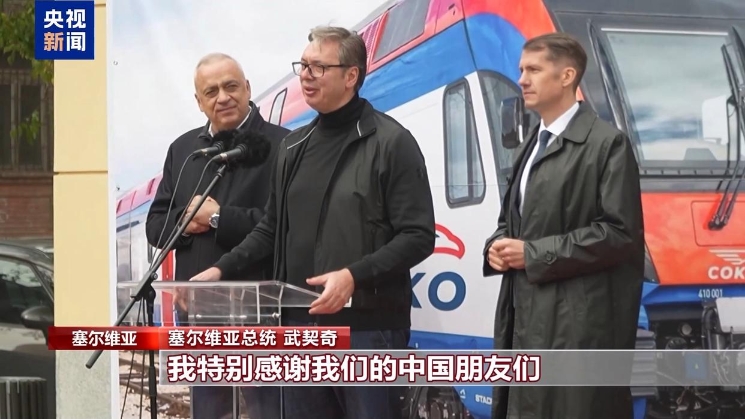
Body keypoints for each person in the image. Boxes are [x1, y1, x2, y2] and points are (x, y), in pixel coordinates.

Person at [189, 26, 436, 419]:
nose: (305, 75)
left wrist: (353, 276)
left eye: (318, 67)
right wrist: (220, 270)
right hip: (298, 330)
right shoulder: (293, 147)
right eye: (302, 65)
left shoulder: (391, 142)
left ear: (351, 75)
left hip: (366, 331)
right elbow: (270, 228)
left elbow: (418, 236)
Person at [482, 33, 645, 419]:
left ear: (567, 76)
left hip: (575, 330)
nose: (522, 80)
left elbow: (620, 234)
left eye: (533, 70)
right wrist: (496, 246)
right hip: (526, 320)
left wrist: (533, 254)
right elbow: (511, 221)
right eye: (521, 70)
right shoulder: (531, 145)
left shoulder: (606, 145)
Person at [145, 52, 289, 419]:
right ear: (199, 101)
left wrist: (217, 218)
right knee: (209, 411)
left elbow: (284, 224)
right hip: (198, 311)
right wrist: (186, 220)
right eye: (211, 91)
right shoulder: (184, 150)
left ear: (248, 89)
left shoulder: (283, 145)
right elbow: (155, 225)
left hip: (260, 310)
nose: (223, 97)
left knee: (266, 411)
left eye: (231, 86)